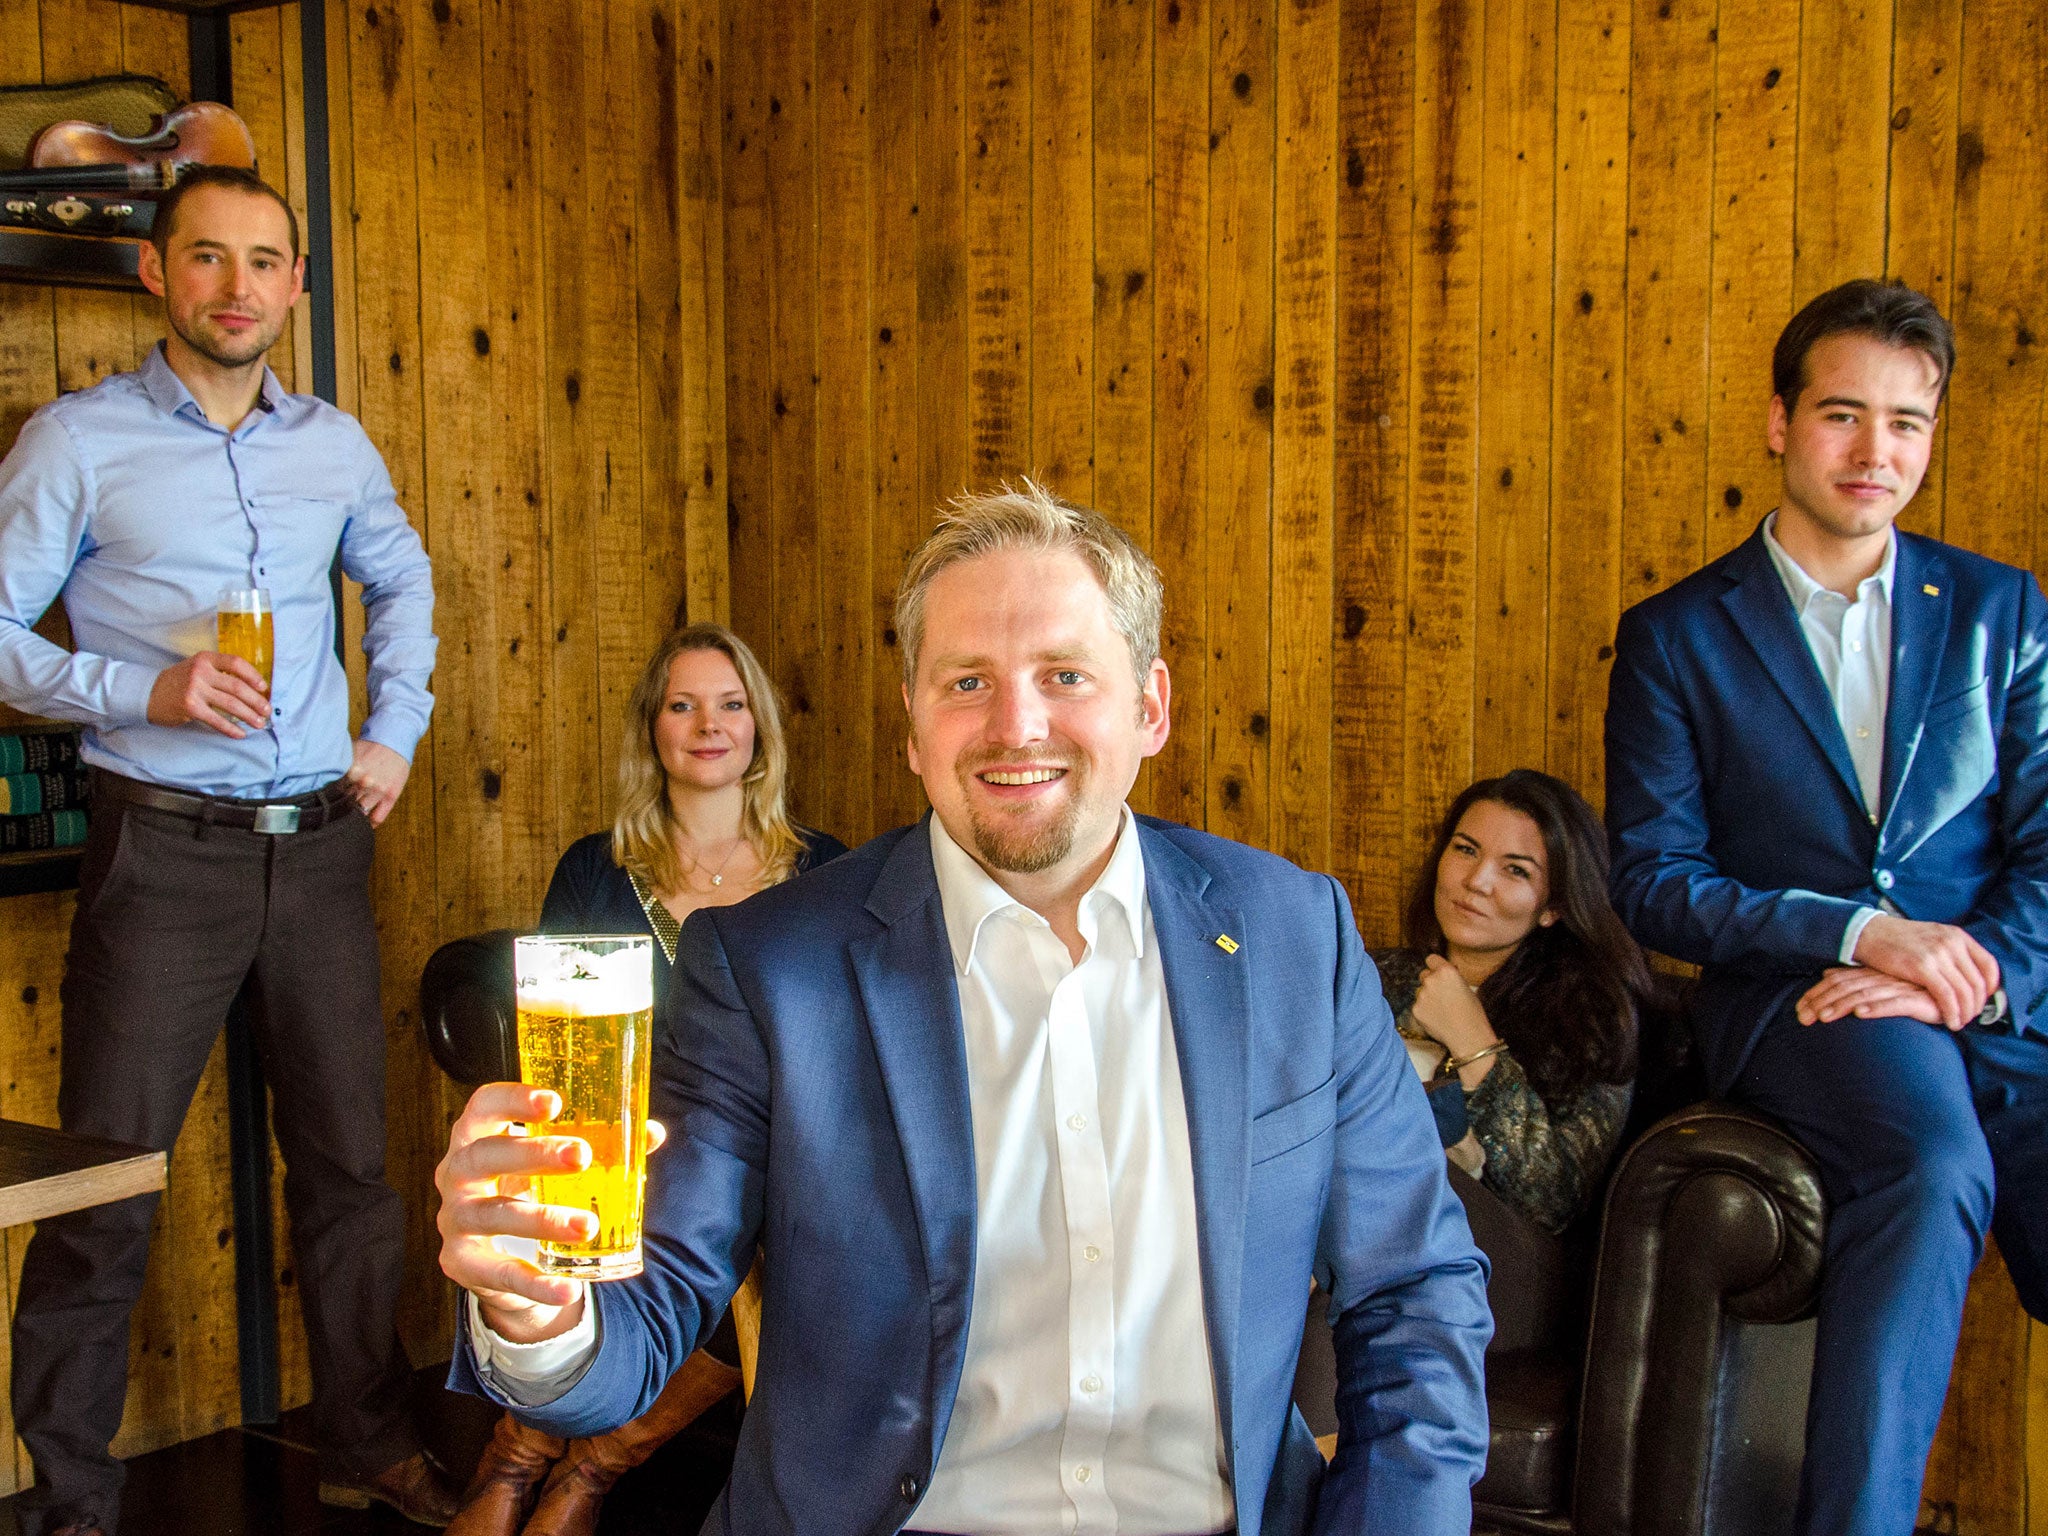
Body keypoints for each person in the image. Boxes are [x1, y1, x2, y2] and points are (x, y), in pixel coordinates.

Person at [434, 483, 1491, 1534]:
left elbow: (1416, 1292)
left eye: (1064, 674)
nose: (1013, 725)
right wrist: (540, 1311)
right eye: (966, 681)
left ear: (1150, 705)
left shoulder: (1294, 935)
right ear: (912, 726)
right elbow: (644, 1310)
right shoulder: (768, 968)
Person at [0, 166, 448, 1534]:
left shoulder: (338, 446)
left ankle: (369, 1445)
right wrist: (149, 692)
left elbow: (404, 576)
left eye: (263, 262)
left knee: (350, 1178)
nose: (236, 287)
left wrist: (398, 729)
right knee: (106, 1185)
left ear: (295, 287)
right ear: (158, 274)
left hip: (320, 849)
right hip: (162, 858)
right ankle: (72, 1505)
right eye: (207, 258)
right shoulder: (78, 442)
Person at [1604, 278, 2048, 1536]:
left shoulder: (1996, 610)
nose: (1875, 452)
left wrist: (1952, 967)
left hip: (1989, 995)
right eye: (1842, 415)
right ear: (1776, 423)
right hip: (1794, 1002)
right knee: (1929, 1158)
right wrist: (1854, 934)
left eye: (1906, 422)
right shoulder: (1676, 637)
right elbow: (1652, 882)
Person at [454, 623, 846, 1536]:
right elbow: (550, 1035)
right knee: (576, 1201)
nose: (708, 725)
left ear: (760, 729)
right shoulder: (597, 868)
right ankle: (515, 1455)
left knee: (753, 1213)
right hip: (624, 1136)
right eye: (683, 705)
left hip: (773, 1139)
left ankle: (588, 1467)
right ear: (653, 728)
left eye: (730, 703)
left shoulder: (823, 867)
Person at [1375, 770, 1644, 1236]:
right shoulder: (1373, 977)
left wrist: (1472, 1040)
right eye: (1465, 850)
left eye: (1515, 870)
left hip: (1477, 1268)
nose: (1477, 881)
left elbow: (1552, 1201)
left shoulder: (1591, 1016)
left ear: (1552, 907)